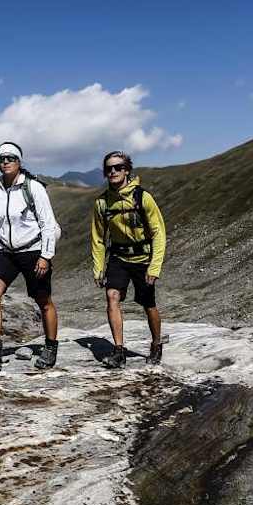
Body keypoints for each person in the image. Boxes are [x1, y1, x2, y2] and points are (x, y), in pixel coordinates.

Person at [0, 142, 60, 370]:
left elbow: (48, 224)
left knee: (43, 301)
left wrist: (46, 256)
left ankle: (50, 347)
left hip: (33, 251)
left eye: (10, 158)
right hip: (5, 253)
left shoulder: (34, 188)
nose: (5, 162)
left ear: (19, 161)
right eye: (1, 159)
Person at [90, 150, 166, 368]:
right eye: (108, 169)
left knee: (148, 304)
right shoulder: (102, 203)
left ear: (127, 170)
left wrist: (155, 266)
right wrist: (98, 268)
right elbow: (97, 237)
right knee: (112, 296)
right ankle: (119, 350)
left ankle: (156, 343)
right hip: (118, 257)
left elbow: (159, 233)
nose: (113, 171)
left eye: (118, 167)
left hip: (143, 258)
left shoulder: (143, 197)